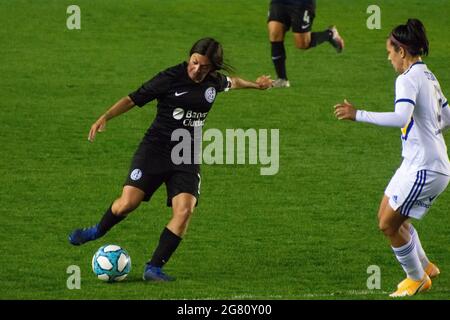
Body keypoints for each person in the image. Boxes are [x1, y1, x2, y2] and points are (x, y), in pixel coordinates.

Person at [68, 38, 273, 281]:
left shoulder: (214, 82)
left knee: (185, 211)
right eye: (194, 63)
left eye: (204, 67)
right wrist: (105, 117)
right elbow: (133, 98)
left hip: (186, 154)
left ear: (213, 68)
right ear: (190, 57)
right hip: (155, 149)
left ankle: (153, 268)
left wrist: (256, 85)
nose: (197, 70)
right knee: (127, 203)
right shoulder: (170, 77)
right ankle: (96, 231)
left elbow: (233, 82)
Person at [334, 19, 450, 297]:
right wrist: (427, 133)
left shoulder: (407, 78)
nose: (388, 58)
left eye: (389, 51)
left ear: (402, 51)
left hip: (425, 167)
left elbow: (401, 117)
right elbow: (446, 117)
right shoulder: (429, 76)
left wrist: (357, 114)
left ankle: (417, 279)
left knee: (388, 224)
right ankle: (426, 267)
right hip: (416, 162)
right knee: (388, 213)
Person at [267, 0, 344, 88]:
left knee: (302, 44)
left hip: (301, 3)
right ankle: (282, 79)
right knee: (274, 34)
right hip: (279, 2)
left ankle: (330, 34)